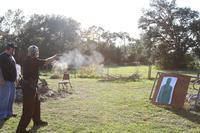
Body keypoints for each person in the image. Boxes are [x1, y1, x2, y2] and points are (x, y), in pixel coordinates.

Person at [16, 45, 60, 133]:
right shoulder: (32, 61)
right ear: (35, 53)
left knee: (36, 104)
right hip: (29, 88)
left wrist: (54, 57)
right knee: (28, 110)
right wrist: (55, 57)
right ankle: (20, 130)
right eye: (36, 52)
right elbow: (46, 61)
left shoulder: (28, 60)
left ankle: (37, 122)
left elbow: (43, 61)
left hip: (31, 87)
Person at [0, 43, 17, 120]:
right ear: (8, 48)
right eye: (12, 48)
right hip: (5, 81)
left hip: (12, 81)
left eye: (14, 48)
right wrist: (1, 80)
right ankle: (2, 114)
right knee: (4, 98)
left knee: (11, 98)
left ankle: (9, 113)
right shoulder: (2, 57)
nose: (14, 49)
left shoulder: (12, 57)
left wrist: (16, 79)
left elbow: (14, 68)